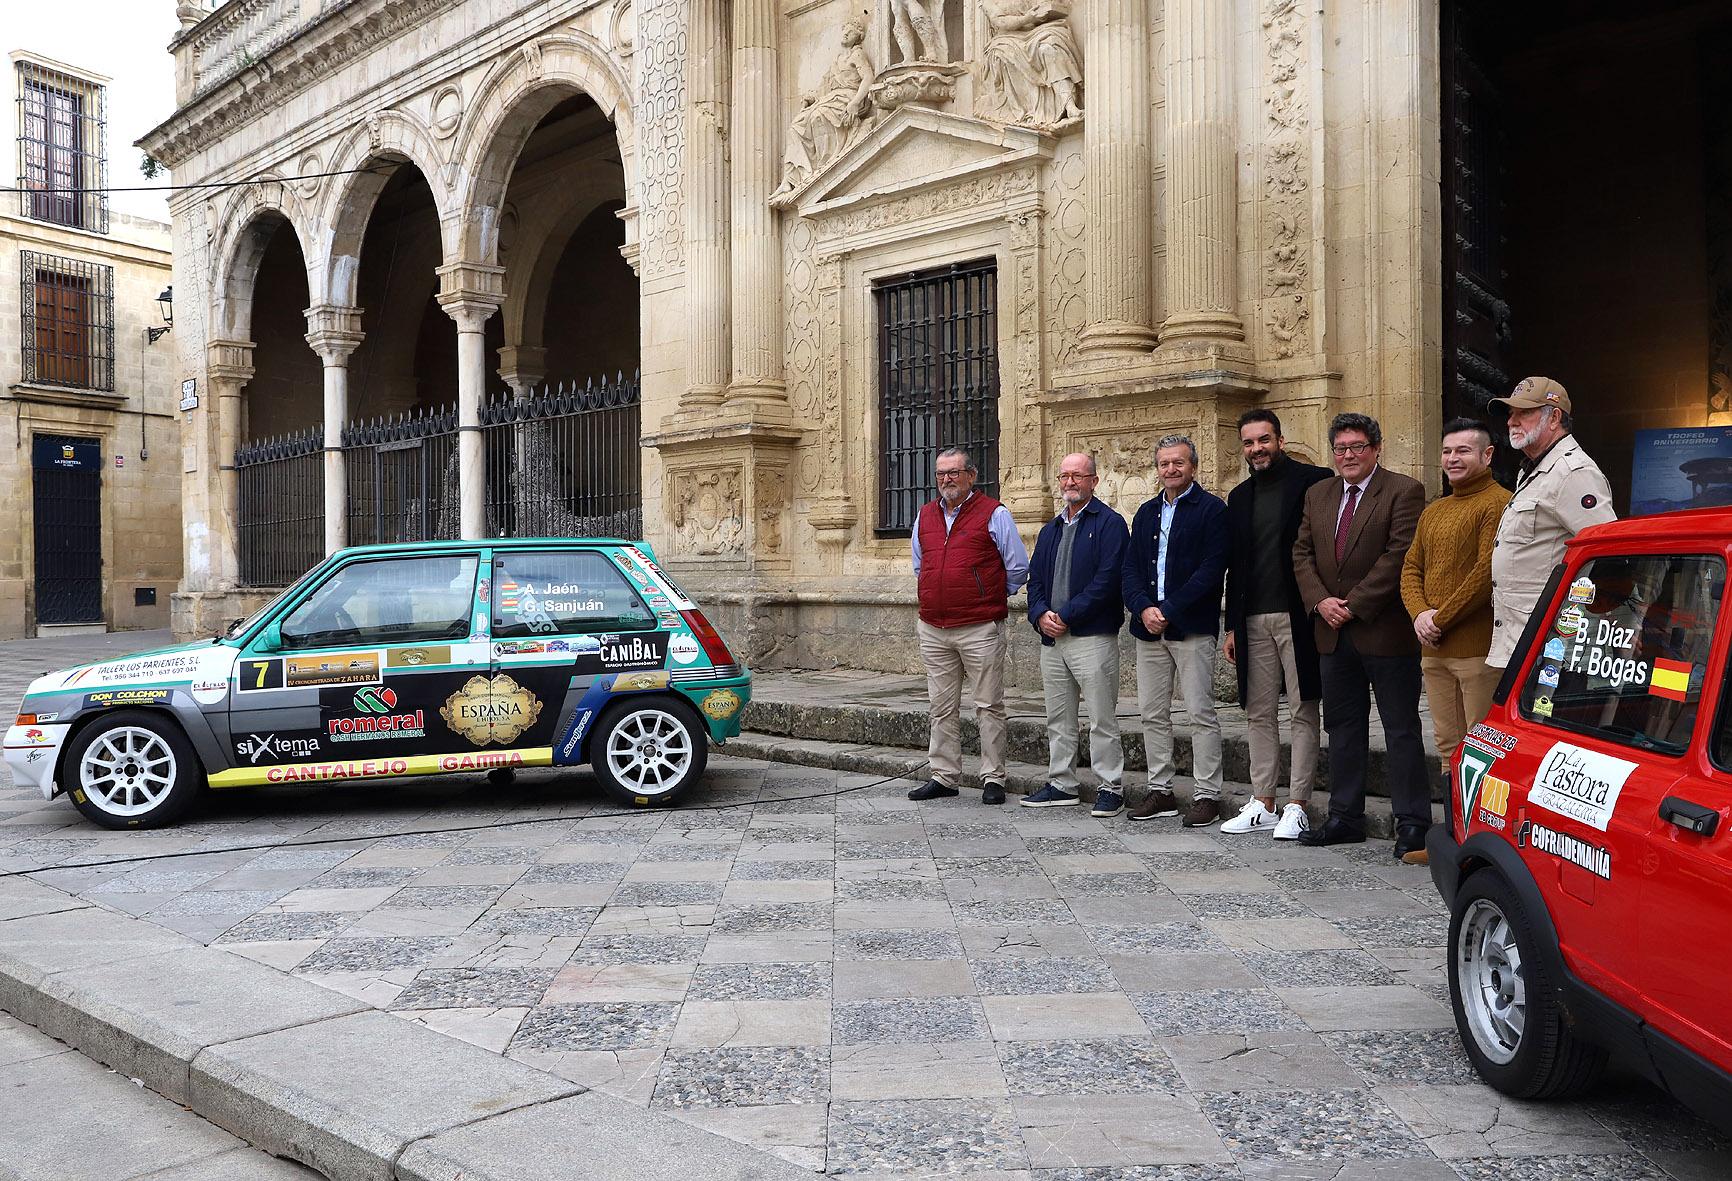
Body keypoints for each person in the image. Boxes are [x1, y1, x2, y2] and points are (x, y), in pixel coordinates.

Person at [1292, 413, 1432, 857]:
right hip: (1331, 633)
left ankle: (1412, 822)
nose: (1348, 456)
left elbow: (1399, 555)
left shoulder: (1404, 490)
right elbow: (1301, 552)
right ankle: (1344, 816)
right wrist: (1321, 601)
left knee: (1401, 729)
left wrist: (1353, 605)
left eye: (1356, 447)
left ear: (1376, 448)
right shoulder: (1318, 493)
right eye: (1340, 448)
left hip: (1384, 631)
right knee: (1343, 728)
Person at [1400, 418, 1511, 858]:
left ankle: (1486, 843)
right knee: (1449, 746)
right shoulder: (1434, 509)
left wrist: (1438, 617)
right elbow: (1411, 568)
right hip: (1435, 650)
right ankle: (1454, 837)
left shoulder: (1498, 503)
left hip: (1476, 650)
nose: (1452, 459)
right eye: (1447, 451)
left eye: (1463, 451)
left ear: (1487, 456)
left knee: (1482, 748)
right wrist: (1419, 614)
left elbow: (1486, 573)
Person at [1220, 410, 1332, 839]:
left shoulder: (1314, 482)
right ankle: (1263, 800)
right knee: (1258, 711)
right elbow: (1236, 566)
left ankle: (1297, 803)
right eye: (1248, 443)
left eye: (1264, 440)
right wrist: (1231, 626)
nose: (1257, 449)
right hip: (1252, 618)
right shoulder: (1240, 496)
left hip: (1298, 615)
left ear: (1280, 440)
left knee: (1304, 708)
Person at [908, 447, 1030, 804]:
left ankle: (993, 777)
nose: (947, 479)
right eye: (941, 474)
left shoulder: (995, 513)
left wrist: (987, 595)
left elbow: (1018, 567)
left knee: (988, 704)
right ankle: (944, 776)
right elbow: (920, 565)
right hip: (933, 626)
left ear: (971, 476)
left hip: (979, 626)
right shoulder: (925, 515)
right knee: (940, 706)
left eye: (954, 472)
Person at [1121, 435, 1229, 826]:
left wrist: (1167, 609)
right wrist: (1143, 607)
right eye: (1164, 463)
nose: (1170, 469)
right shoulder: (1146, 512)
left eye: (1178, 463)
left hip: (1192, 627)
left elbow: (1211, 570)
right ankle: (1161, 790)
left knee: (1200, 712)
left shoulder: (1212, 510)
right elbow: (1130, 568)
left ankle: (1207, 795)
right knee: (1152, 714)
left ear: (1193, 467)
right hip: (1148, 629)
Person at [1023, 453, 1130, 815]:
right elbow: (1034, 580)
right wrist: (1039, 615)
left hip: (1092, 637)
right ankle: (1061, 783)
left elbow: (1107, 581)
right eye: (1065, 476)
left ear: (1093, 482)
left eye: (1078, 476)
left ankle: (1110, 788)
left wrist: (1065, 615)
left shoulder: (1110, 524)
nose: (1070, 482)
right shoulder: (1051, 529)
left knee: (1102, 717)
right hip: (1052, 639)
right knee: (1058, 716)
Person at [1486, 377, 1616, 670]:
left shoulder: (1573, 473)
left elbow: (1609, 556)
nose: (1512, 422)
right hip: (1523, 636)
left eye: (1524, 413)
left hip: (1554, 642)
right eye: (1511, 413)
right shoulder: (1533, 469)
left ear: (1554, 417)